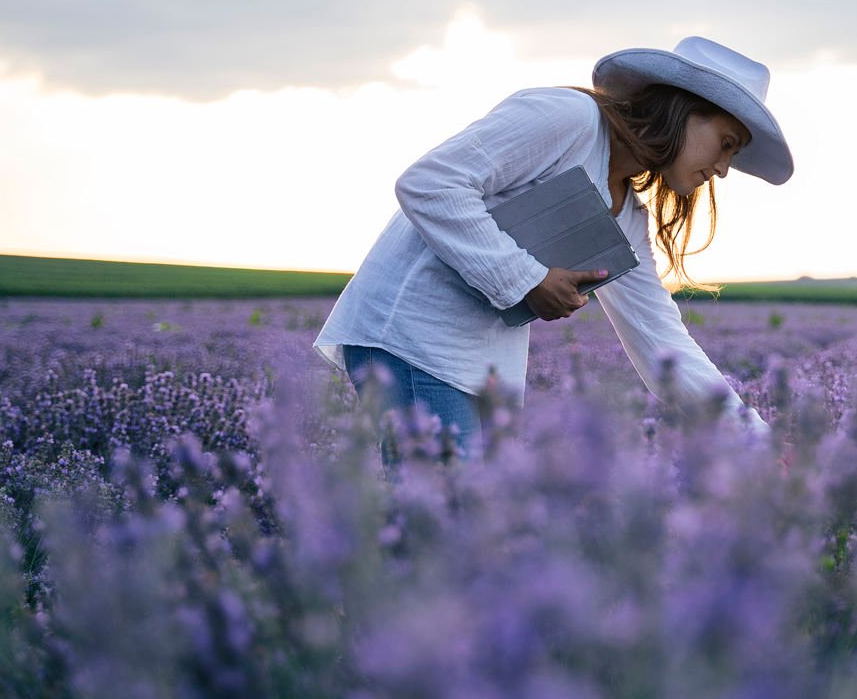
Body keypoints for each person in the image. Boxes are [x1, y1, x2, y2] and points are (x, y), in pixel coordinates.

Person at [314, 36, 792, 456]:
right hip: (412, 334)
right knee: (443, 526)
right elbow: (431, 183)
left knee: (469, 535)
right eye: (725, 143)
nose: (724, 168)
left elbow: (661, 341)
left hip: (481, 363)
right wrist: (529, 279)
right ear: (685, 111)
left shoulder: (625, 212)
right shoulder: (571, 119)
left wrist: (757, 441)